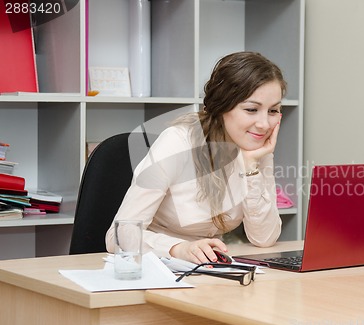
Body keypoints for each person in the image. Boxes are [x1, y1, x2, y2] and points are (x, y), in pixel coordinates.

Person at [105, 51, 286, 264]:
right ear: (222, 107)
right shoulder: (177, 142)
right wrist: (177, 248)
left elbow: (264, 238)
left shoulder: (256, 149)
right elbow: (117, 236)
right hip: (155, 264)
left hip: (208, 270)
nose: (264, 124)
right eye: (251, 109)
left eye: (273, 110)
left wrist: (251, 167)